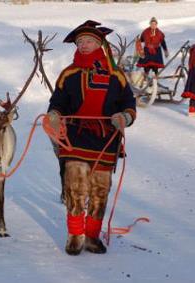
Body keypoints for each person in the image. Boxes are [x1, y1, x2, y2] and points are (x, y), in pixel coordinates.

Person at [44, 20, 136, 256]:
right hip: (75, 138)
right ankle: (75, 237)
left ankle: (92, 237)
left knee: (99, 190)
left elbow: (129, 102)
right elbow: (58, 101)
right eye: (80, 42)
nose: (83, 45)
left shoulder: (117, 75)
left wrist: (125, 116)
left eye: (88, 41)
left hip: (106, 140)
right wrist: (54, 114)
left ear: (99, 44)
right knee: (75, 187)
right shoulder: (69, 74)